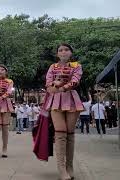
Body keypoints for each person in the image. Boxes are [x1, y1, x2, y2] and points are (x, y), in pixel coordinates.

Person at [44, 43, 84, 180]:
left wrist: (60, 87)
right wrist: (53, 86)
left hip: (72, 99)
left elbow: (75, 81)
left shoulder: (76, 66)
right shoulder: (52, 67)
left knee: (70, 134)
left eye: (66, 50)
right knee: (60, 133)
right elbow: (48, 84)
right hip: (55, 101)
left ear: (71, 53)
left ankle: (70, 166)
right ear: (57, 54)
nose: (63, 52)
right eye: (60, 50)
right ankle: (61, 169)